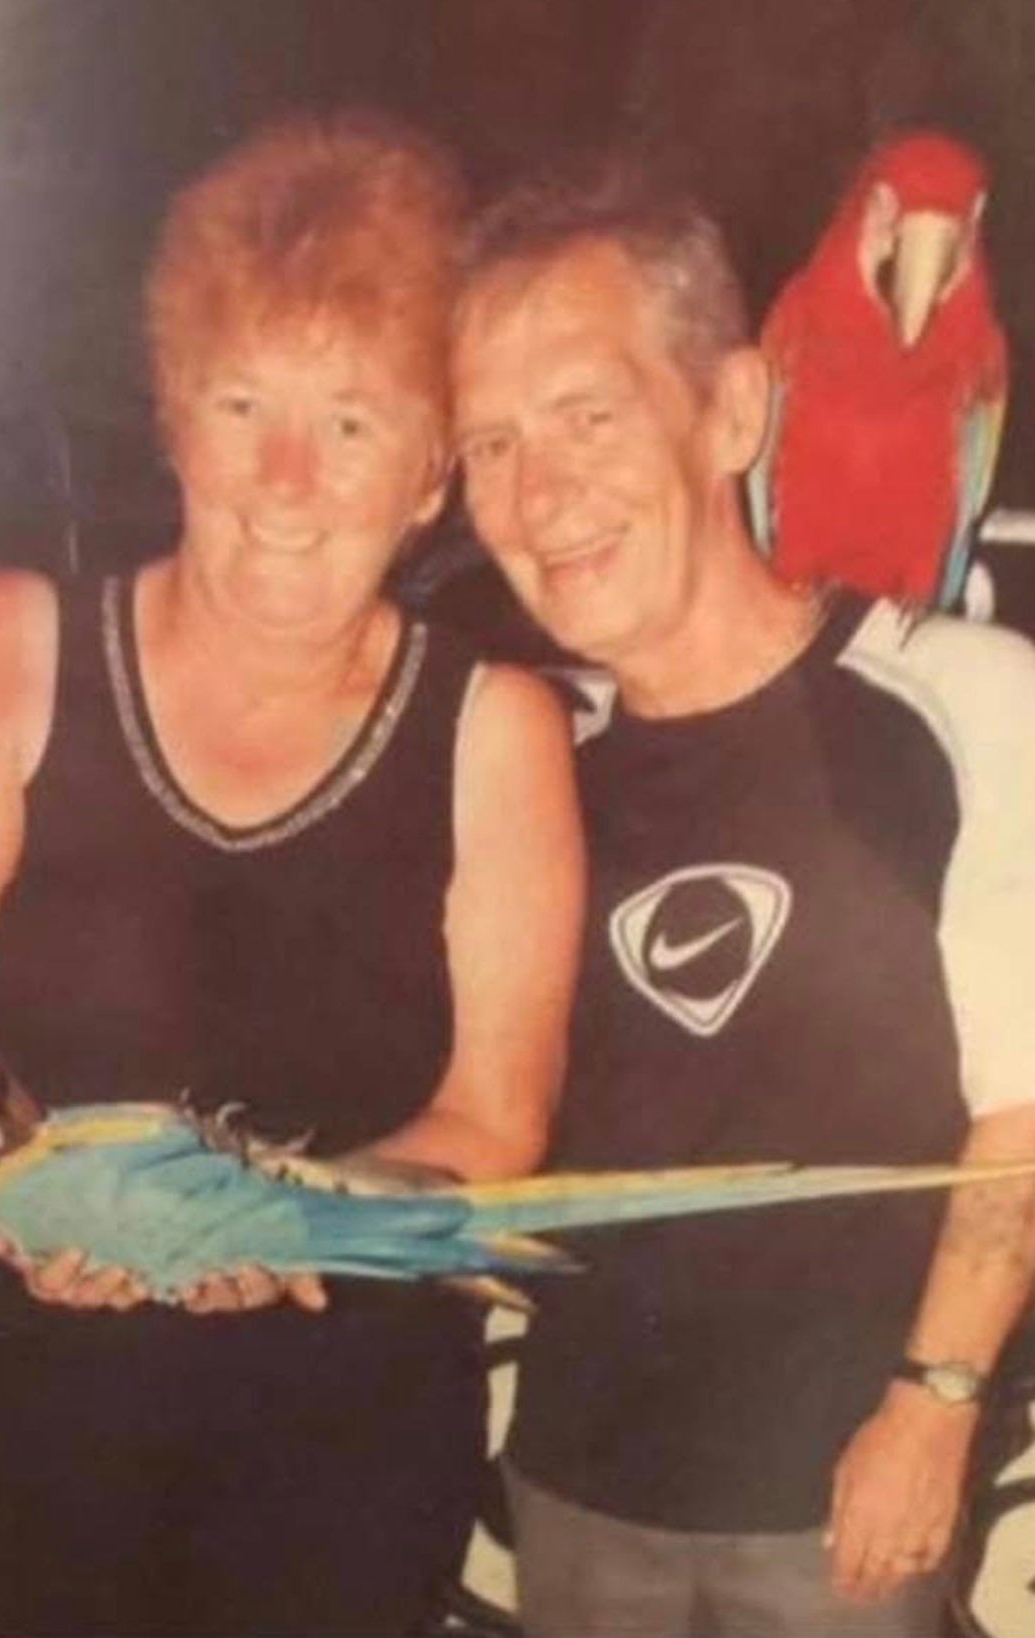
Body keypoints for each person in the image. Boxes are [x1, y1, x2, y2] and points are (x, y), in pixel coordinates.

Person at [0, 112, 584, 1638]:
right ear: (175, 419)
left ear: (430, 476)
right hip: (32, 1387)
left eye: (352, 423)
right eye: (241, 402)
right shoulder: (6, 647)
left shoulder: (495, 730)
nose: (286, 477)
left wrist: (279, 1219)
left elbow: (495, 1117)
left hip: (344, 1420)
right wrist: (16, 1182)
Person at [448, 152, 1035, 1638]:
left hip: (841, 1494)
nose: (540, 493)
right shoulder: (524, 753)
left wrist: (936, 1398)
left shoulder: (964, 698)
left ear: (731, 411)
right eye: (492, 443)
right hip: (579, 1478)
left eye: (589, 414)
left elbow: (1027, 1106)